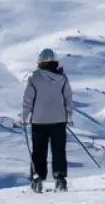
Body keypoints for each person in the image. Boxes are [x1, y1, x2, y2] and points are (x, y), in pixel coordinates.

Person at [20, 48, 74, 192]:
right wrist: (69, 116)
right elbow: (68, 99)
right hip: (59, 120)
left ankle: (37, 178)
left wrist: (24, 116)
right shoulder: (62, 78)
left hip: (39, 120)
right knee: (59, 150)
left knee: (38, 151)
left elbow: (28, 99)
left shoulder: (34, 77)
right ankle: (60, 178)